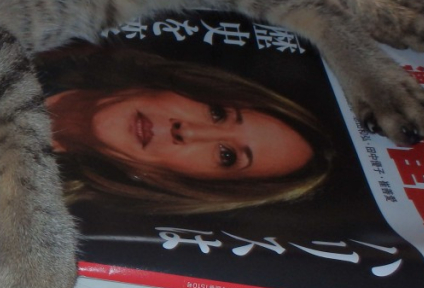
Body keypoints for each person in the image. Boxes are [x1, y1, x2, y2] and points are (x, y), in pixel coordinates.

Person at [39, 46, 334, 215]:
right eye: (218, 113)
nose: (189, 132)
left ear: (187, 183)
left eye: (226, 155)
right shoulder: (52, 32)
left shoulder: (27, 210)